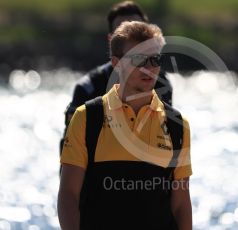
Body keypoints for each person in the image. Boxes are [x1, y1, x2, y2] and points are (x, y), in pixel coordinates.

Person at [58, 21, 192, 230]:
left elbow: (181, 204)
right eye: (139, 60)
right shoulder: (86, 117)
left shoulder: (177, 125)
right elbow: (68, 195)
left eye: (155, 59)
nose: (149, 68)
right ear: (116, 63)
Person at [60, 1, 173, 154]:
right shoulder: (88, 87)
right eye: (124, 31)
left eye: (139, 29)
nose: (134, 34)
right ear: (111, 40)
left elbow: (165, 142)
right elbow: (71, 152)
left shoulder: (161, 83)